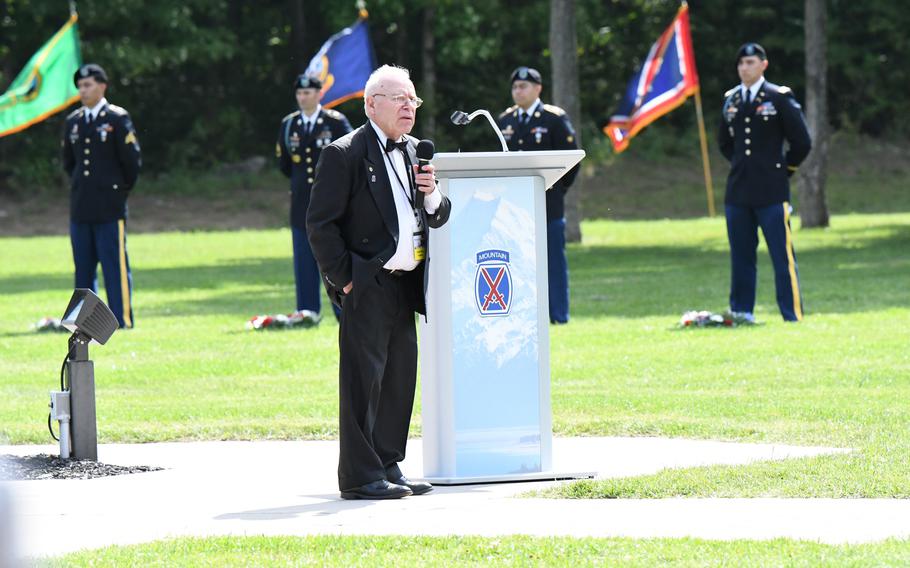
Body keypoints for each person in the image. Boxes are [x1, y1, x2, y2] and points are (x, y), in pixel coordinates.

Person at [307, 65, 451, 500]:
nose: (409, 107)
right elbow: (319, 225)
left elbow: (439, 216)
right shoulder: (344, 153)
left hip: (404, 283)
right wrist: (346, 280)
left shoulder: (413, 152)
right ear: (372, 104)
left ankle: (387, 464)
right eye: (399, 99)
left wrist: (431, 193)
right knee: (362, 381)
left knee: (398, 378)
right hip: (367, 282)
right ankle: (358, 476)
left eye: (413, 100)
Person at [718, 43, 812, 322]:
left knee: (782, 257)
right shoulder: (731, 99)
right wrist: (741, 166)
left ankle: (791, 314)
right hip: (738, 192)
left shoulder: (778, 97)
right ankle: (741, 311)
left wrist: (784, 169)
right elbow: (725, 143)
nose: (744, 68)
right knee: (741, 257)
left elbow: (802, 141)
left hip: (772, 190)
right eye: (740, 64)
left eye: (749, 62)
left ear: (763, 65)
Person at [496, 66, 579, 324]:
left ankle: (557, 315)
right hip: (515, 206)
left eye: (524, 86)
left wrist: (556, 189)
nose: (518, 91)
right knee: (518, 260)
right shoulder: (505, 121)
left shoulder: (553, 119)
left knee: (552, 260)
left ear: (538, 89)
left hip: (547, 204)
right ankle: (524, 314)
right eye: (515, 87)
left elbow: (572, 161)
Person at [62, 64, 141, 328]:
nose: (83, 91)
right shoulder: (73, 121)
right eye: (80, 86)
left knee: (114, 268)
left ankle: (121, 320)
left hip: (109, 207)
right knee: (83, 269)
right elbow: (69, 164)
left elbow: (131, 162)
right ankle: (82, 323)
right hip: (81, 206)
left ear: (102, 86)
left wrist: (118, 192)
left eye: (88, 85)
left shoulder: (117, 119)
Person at [276, 75, 352, 323]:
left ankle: (344, 309)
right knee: (303, 258)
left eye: (307, 93)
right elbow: (285, 164)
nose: (302, 97)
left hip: (333, 202)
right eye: (299, 93)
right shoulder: (289, 125)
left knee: (335, 255)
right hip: (301, 204)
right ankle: (307, 312)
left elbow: (351, 156)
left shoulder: (335, 122)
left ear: (320, 94)